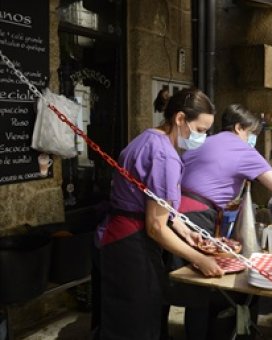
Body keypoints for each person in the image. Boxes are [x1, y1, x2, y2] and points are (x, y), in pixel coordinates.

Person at [178, 104, 272, 339]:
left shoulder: (206, 141)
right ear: (238, 127)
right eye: (250, 133)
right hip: (199, 216)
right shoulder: (243, 150)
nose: (252, 139)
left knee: (190, 283)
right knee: (203, 286)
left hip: (176, 213)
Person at [95, 88, 223, 339]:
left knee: (119, 317)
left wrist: (185, 230)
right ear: (179, 119)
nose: (202, 138)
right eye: (199, 130)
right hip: (129, 242)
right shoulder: (165, 156)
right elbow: (156, 226)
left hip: (114, 237)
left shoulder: (147, 138)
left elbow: (156, 205)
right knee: (136, 324)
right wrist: (199, 258)